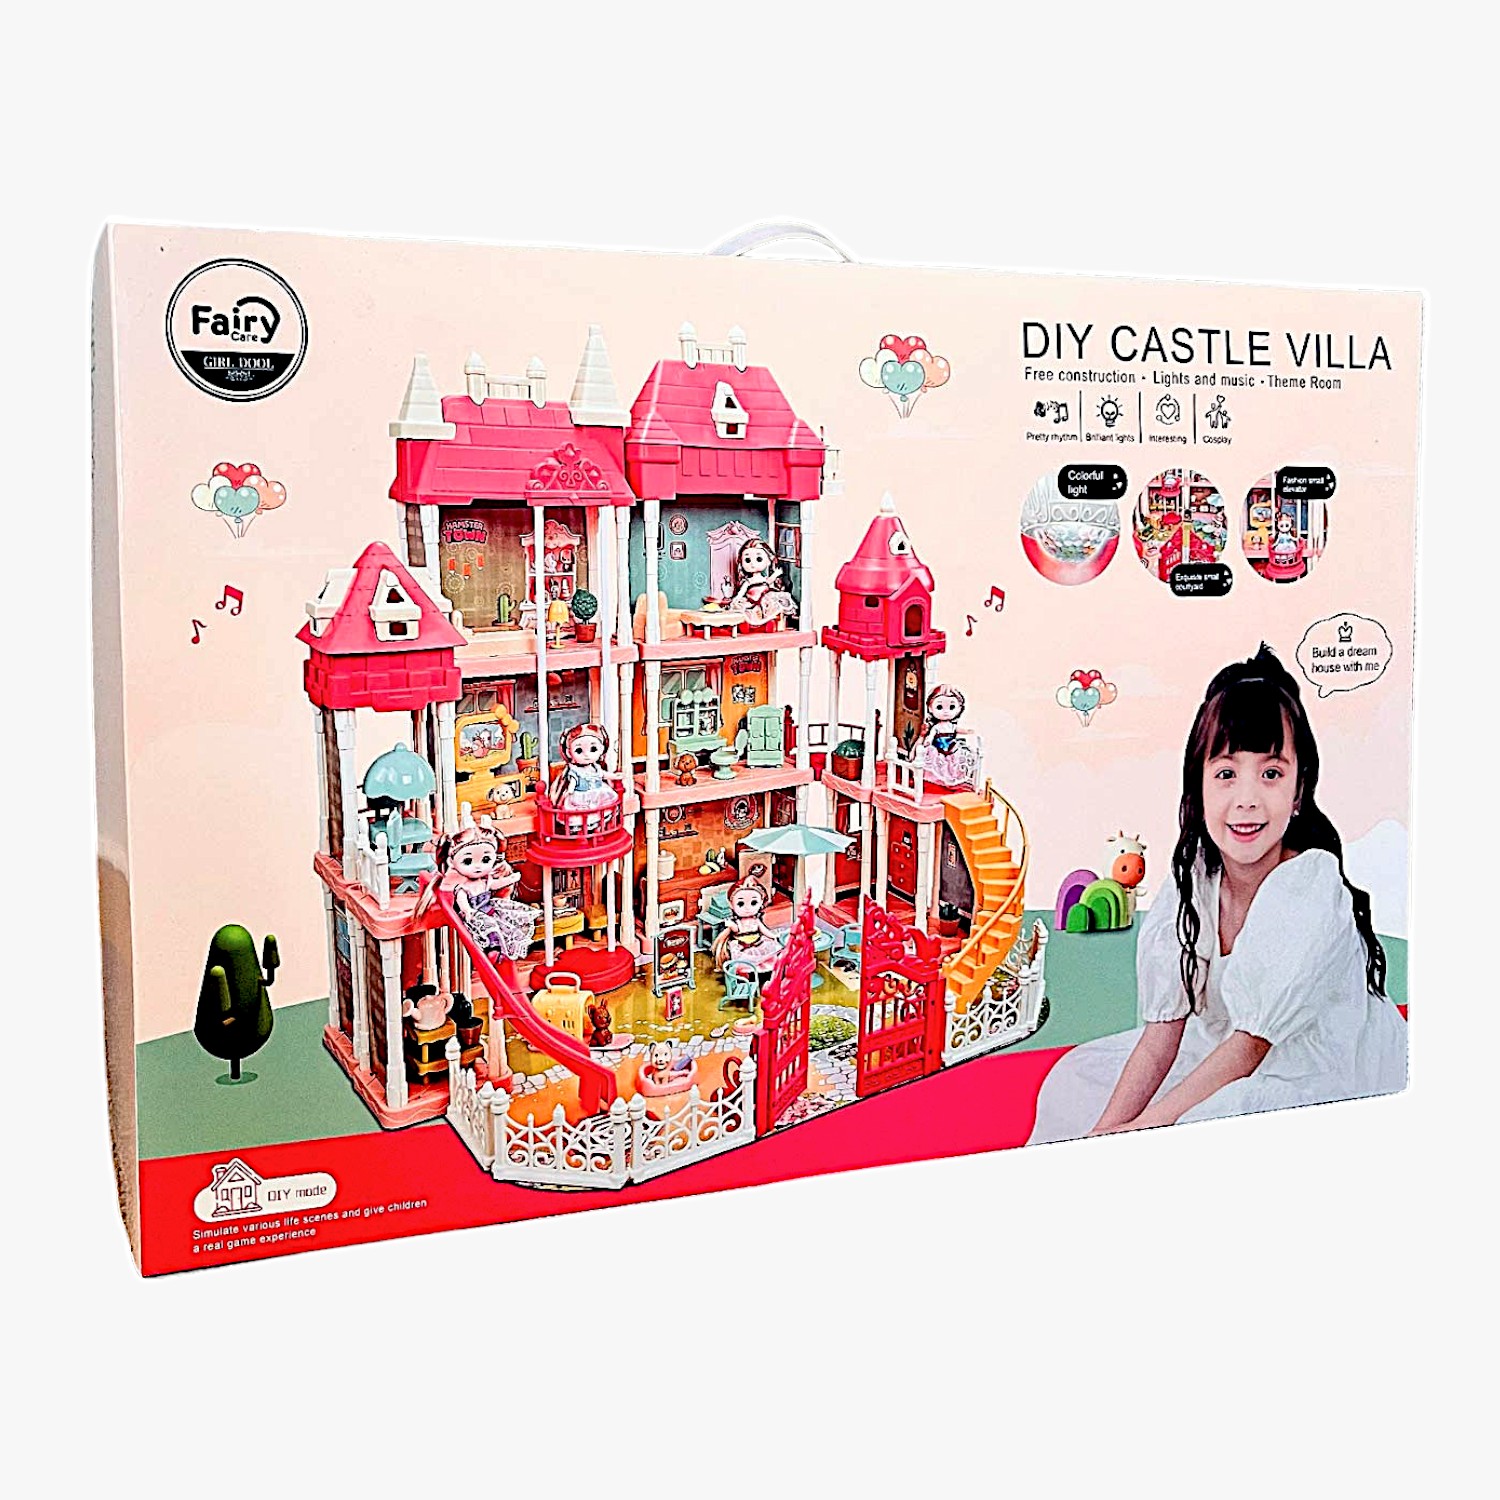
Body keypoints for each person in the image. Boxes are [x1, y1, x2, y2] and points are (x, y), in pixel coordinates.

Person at [1030, 644, 1406, 1143]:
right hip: (1223, 1048)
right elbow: (1162, 1036)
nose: (1247, 799)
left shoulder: (1309, 885)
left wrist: (1142, 1129)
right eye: (1226, 774)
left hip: (1315, 1064)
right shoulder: (1195, 876)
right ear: (1199, 789)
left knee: (1209, 1121)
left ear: (1298, 793)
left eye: (1271, 774)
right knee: (1075, 1083)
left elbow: (1251, 1047)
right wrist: (1105, 1132)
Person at [416, 823, 536, 962]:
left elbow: (494, 885)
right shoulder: (463, 887)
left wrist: (510, 879)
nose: (478, 867)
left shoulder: (484, 880)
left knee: (508, 921)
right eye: (468, 861)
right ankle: (493, 949)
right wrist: (467, 911)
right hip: (476, 914)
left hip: (489, 909)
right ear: (452, 862)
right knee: (489, 926)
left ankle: (503, 949)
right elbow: (462, 900)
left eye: (486, 860)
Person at [547, 722, 619, 832]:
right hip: (580, 795)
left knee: (600, 810)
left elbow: (603, 774)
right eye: (579, 751)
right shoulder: (575, 770)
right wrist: (570, 789)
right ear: (569, 753)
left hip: (598, 793)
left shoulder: (595, 767)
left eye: (593, 749)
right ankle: (582, 832)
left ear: (601, 750)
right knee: (580, 816)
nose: (586, 755)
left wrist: (615, 776)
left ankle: (598, 827)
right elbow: (573, 780)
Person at [711, 877, 783, 972]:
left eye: (754, 903)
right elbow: (736, 930)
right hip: (743, 948)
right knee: (744, 963)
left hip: (757, 944)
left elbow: (764, 930)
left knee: (767, 956)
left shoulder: (756, 921)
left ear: (761, 903)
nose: (747, 908)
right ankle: (745, 972)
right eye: (740, 904)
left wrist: (773, 936)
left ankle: (762, 971)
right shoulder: (738, 922)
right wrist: (731, 925)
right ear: (731, 904)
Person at [726, 535, 796, 628]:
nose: (752, 564)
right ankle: (747, 625)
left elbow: (768, 582)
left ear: (768, 561)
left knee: (773, 606)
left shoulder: (764, 579)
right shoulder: (748, 581)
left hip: (764, 600)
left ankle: (769, 624)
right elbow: (741, 592)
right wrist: (737, 598)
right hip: (752, 602)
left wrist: (776, 574)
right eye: (747, 560)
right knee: (748, 612)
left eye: (759, 559)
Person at [920, 683, 978, 789]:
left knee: (954, 760)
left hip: (950, 747)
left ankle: (952, 778)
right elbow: (932, 735)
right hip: (938, 747)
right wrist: (928, 740)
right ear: (930, 708)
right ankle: (938, 779)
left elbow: (958, 730)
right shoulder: (936, 727)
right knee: (938, 762)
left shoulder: (952, 726)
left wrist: (967, 731)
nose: (946, 711)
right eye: (939, 707)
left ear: (959, 708)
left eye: (951, 707)